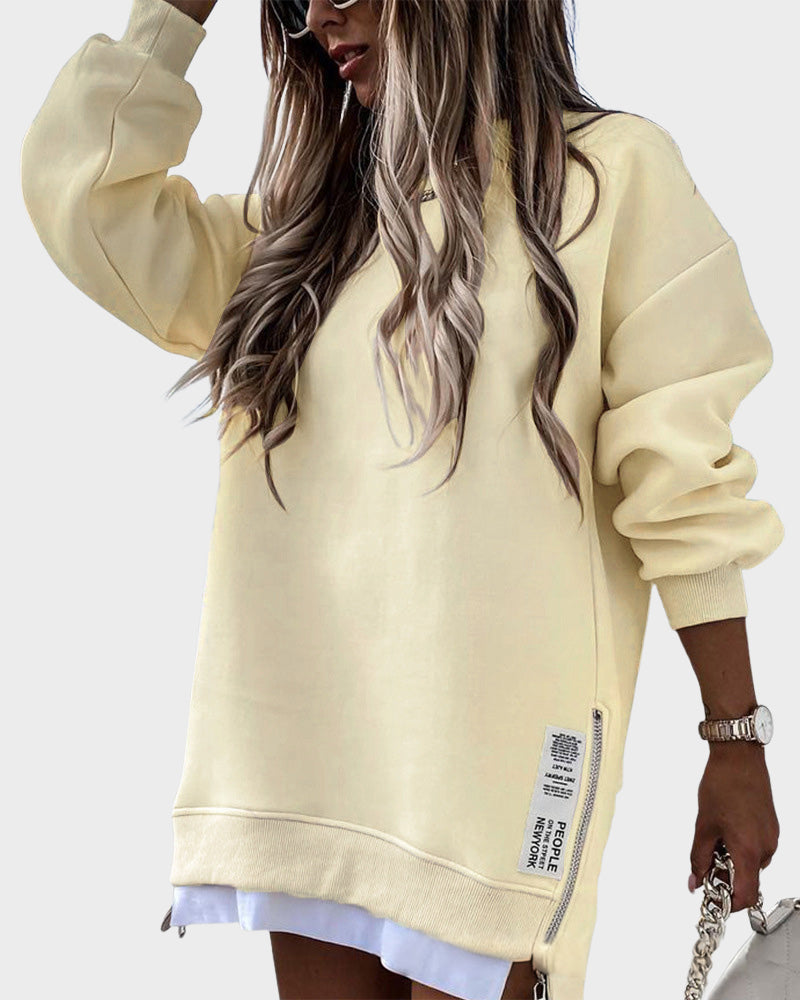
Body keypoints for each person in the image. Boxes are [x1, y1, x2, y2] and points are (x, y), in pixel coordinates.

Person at [20, 1, 785, 998]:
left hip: (496, 781)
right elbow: (87, 200)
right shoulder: (301, 225)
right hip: (304, 771)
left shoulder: (612, 178)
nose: (319, 15)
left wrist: (733, 739)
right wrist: (176, 13)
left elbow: (679, 479)